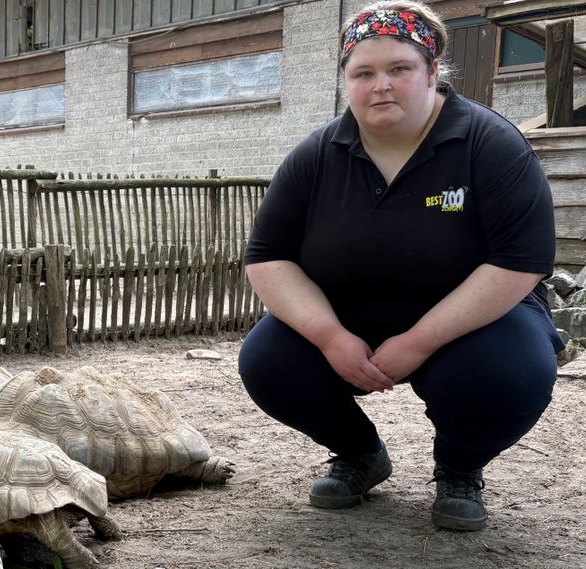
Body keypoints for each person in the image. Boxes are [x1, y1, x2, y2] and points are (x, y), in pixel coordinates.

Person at [237, 0, 564, 531]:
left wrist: (419, 341)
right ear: (346, 80)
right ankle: (359, 455)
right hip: (351, 317)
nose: (380, 85)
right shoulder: (316, 155)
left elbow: (518, 263)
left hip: (472, 324)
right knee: (268, 360)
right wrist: (328, 337)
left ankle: (460, 468)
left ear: (433, 71)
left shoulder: (491, 145)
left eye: (399, 69)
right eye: (363, 72)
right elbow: (268, 258)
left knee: (511, 371)